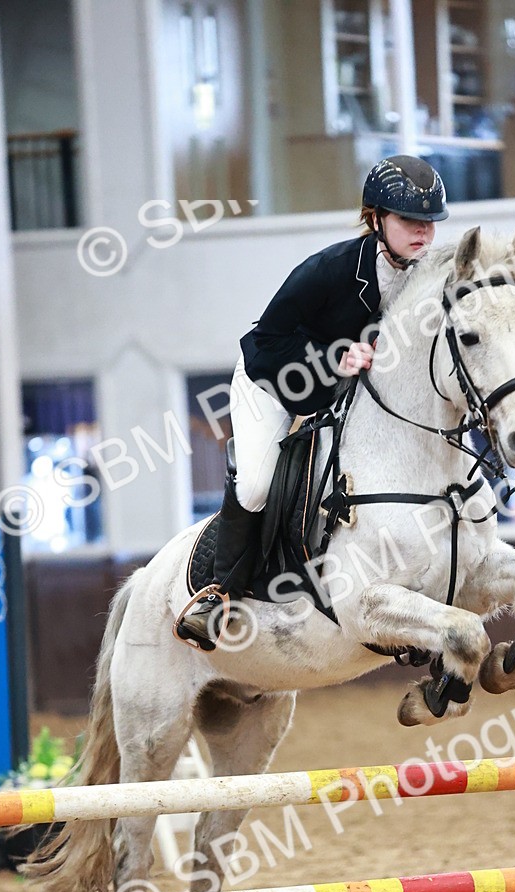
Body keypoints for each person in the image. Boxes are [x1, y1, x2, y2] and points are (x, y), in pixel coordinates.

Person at [177, 155, 449, 651]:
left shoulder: (425, 277)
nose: (423, 233)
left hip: (346, 395)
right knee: (257, 484)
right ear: (375, 219)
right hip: (274, 380)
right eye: (410, 220)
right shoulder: (328, 270)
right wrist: (333, 357)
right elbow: (267, 340)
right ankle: (219, 592)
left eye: (430, 222)